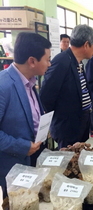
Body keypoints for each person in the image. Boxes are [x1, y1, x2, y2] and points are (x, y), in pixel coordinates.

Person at [0, 32, 51, 198]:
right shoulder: (4, 86)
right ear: (32, 61)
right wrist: (22, 146)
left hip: (33, 159)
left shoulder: (30, 82)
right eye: (47, 59)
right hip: (13, 165)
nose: (49, 64)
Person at [40, 25, 93, 149]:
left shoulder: (78, 62)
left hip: (81, 121)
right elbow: (46, 95)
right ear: (86, 45)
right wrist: (60, 117)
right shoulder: (62, 61)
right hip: (68, 126)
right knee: (67, 162)